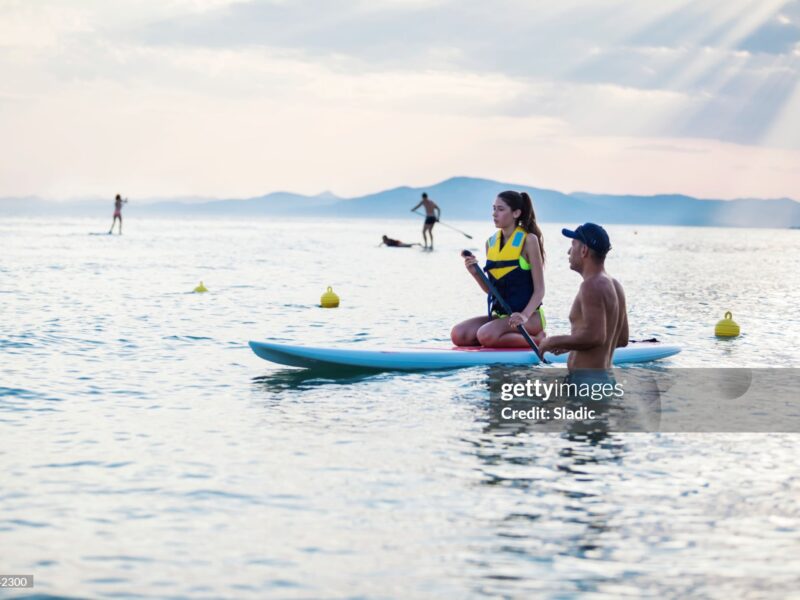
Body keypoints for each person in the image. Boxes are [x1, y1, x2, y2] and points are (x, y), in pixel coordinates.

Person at [451, 190, 546, 348]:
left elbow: (540, 290)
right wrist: (475, 274)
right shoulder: (491, 243)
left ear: (516, 213)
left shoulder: (529, 240)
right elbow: (492, 291)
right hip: (501, 318)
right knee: (458, 334)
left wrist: (524, 316)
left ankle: (539, 340)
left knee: (485, 335)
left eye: (501, 210)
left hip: (530, 318)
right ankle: (498, 336)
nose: (495, 214)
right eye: (493, 208)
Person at [538, 223, 628, 370]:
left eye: (573, 245)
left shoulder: (591, 285)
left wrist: (552, 341)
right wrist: (570, 344)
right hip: (603, 379)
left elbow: (595, 337)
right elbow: (622, 339)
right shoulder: (615, 286)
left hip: (586, 382)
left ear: (584, 250)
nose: (568, 251)